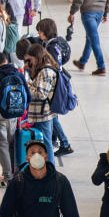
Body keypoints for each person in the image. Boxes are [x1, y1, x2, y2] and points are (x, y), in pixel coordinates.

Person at [0, 140, 86, 217]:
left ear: (46, 156)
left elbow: (70, 211)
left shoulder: (60, 181)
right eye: (32, 152)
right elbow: (5, 213)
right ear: (27, 158)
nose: (36, 155)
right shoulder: (18, 182)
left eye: (40, 152)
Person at [0, 51, 27, 187]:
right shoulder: (18, 73)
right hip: (15, 116)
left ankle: (8, 178)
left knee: (3, 146)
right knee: (12, 144)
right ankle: (17, 174)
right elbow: (28, 97)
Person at [36, 19, 73, 158]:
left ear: (46, 31)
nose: (39, 33)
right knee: (53, 115)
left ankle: (64, 143)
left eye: (40, 30)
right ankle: (61, 142)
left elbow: (53, 66)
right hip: (57, 83)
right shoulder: (56, 43)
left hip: (53, 85)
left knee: (52, 115)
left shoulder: (51, 47)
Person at [23, 43, 60, 160]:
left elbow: (41, 94)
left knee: (46, 144)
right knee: (43, 144)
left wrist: (27, 87)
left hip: (43, 114)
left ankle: (51, 170)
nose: (31, 62)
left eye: (32, 59)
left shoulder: (45, 71)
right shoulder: (43, 70)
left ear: (37, 57)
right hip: (40, 113)